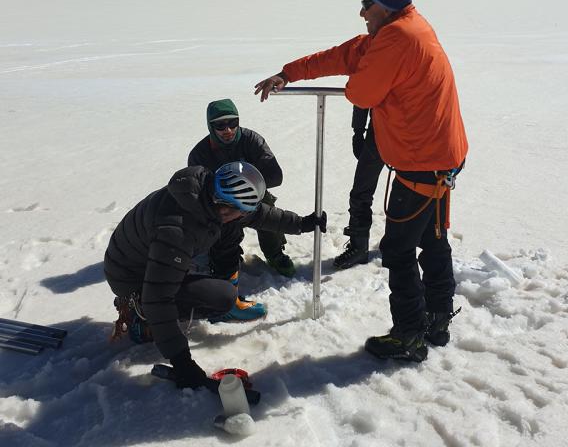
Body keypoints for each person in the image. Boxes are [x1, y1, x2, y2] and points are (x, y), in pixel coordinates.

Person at [254, 0, 468, 363]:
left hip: (420, 162)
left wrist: (366, 76)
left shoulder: (397, 39)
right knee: (434, 241)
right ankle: (436, 321)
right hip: (442, 157)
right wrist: (290, 73)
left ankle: (408, 335)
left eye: (366, 5)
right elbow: (346, 55)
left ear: (384, 7)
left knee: (398, 249)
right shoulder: (403, 28)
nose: (361, 12)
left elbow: (361, 93)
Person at [104, 161, 326, 389]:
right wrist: (182, 362)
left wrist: (302, 223)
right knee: (221, 297)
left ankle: (153, 307)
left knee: (228, 232)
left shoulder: (207, 194)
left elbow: (257, 214)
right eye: (240, 211)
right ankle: (139, 315)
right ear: (223, 206)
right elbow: (158, 297)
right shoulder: (177, 231)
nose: (244, 216)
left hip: (151, 258)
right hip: (132, 278)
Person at [188, 99, 295, 279]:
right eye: (220, 125)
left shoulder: (252, 140)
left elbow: (275, 175)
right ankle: (225, 256)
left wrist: (244, 190)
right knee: (215, 217)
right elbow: (196, 191)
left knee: (267, 205)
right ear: (210, 127)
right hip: (218, 202)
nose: (228, 130)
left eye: (232, 123)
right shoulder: (199, 154)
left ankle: (274, 252)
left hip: (251, 196)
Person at [333, 106, 385, 270]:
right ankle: (360, 246)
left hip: (392, 128)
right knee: (362, 191)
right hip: (385, 128)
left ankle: (361, 247)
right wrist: (358, 131)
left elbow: (362, 90)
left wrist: (358, 131)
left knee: (362, 192)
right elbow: (362, 90)